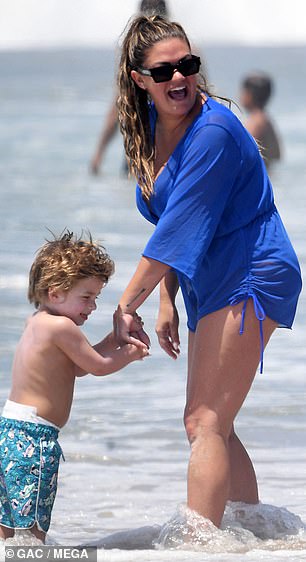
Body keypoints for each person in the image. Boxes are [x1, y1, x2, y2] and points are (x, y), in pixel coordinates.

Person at [112, 15, 302, 532]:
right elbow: (175, 228)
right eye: (165, 70)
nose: (179, 78)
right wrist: (166, 299)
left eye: (188, 65)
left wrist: (125, 304)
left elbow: (176, 232)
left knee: (203, 420)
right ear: (139, 79)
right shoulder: (150, 131)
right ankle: (254, 529)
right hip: (207, 276)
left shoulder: (213, 130)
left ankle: (200, 541)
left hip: (252, 269)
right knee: (214, 421)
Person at [0, 231, 149, 543]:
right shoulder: (62, 327)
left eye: (96, 298)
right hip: (34, 441)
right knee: (33, 531)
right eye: (86, 297)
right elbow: (97, 366)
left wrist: (114, 341)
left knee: (8, 522)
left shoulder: (39, 321)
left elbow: (78, 366)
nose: (92, 306)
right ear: (55, 293)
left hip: (10, 431)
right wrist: (131, 354)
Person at [89, 0, 169, 175]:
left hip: (144, 148)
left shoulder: (134, 54)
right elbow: (205, 97)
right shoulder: (184, 48)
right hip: (170, 146)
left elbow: (119, 105)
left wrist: (99, 153)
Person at [239, 72, 282, 171]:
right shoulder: (265, 119)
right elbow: (277, 154)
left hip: (254, 180)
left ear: (249, 94)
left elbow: (243, 152)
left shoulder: (256, 122)